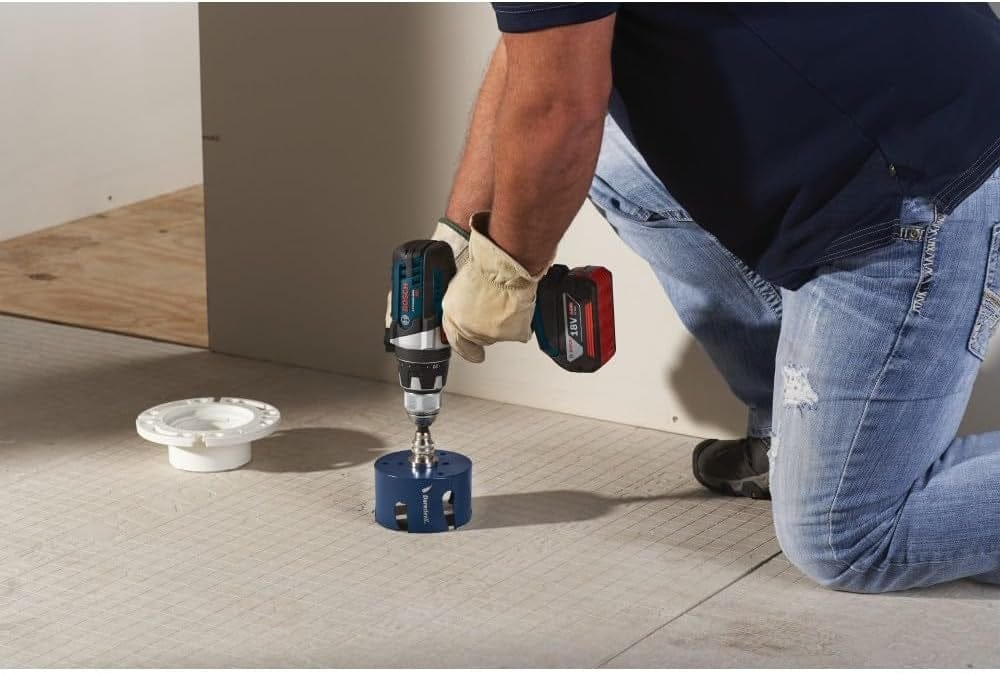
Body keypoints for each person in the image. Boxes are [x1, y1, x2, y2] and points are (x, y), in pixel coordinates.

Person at [428, 4, 1000, 592]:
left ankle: (842, 475)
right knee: (609, 160)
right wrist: (457, 237)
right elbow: (535, 53)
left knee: (845, 536)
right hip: (889, 101)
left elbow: (559, 109)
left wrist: (506, 275)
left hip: (923, 174)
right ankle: (794, 432)